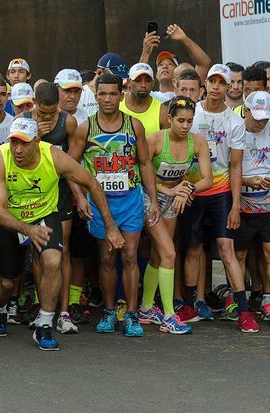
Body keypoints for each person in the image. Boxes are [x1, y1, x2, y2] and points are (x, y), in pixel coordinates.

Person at [0, 117, 123, 350]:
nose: (18, 149)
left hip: (44, 216)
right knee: (7, 284)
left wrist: (111, 227)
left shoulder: (54, 156)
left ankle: (45, 323)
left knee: (53, 261)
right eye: (14, 143)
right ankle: (0, 309)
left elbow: (92, 184)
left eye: (24, 143)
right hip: (12, 219)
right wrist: (27, 229)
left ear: (37, 142)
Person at [69, 74, 160, 337]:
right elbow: (70, 167)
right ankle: (109, 311)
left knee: (130, 256)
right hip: (100, 202)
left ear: (122, 95)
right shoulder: (86, 128)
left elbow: (144, 164)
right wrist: (80, 197)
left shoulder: (135, 126)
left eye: (113, 94)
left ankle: (131, 314)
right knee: (107, 256)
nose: (108, 99)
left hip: (130, 199)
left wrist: (152, 200)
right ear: (95, 95)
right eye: (103, 94)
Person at [179, 64, 259, 332]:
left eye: (221, 83)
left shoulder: (235, 122)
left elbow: (236, 166)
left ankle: (244, 311)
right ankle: (190, 304)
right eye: (212, 81)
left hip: (220, 193)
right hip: (192, 191)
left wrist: (236, 205)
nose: (216, 86)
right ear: (205, 84)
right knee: (192, 249)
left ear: (227, 88)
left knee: (227, 250)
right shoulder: (192, 114)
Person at [139, 97, 212, 334]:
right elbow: (140, 172)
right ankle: (170, 315)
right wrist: (166, 190)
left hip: (174, 197)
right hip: (150, 196)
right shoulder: (156, 140)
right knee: (170, 252)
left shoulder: (198, 142)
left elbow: (207, 180)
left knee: (159, 256)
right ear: (169, 119)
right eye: (180, 120)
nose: (185, 126)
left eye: (190, 121)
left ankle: (146, 307)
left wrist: (186, 189)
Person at [21, 82, 78, 333]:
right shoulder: (23, 121)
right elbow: (18, 159)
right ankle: (43, 306)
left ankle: (64, 312)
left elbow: (72, 165)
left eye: (52, 111)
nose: (47, 116)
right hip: (34, 195)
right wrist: (38, 139)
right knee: (37, 254)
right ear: (33, 103)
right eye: (42, 112)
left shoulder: (68, 122)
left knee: (62, 251)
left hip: (62, 194)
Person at [233, 91, 270, 320]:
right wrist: (249, 181)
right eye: (256, 117)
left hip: (268, 202)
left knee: (269, 252)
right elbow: (229, 168)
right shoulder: (236, 130)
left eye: (265, 117)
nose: (261, 122)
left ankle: (268, 297)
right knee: (239, 254)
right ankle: (238, 299)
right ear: (245, 111)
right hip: (242, 202)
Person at [140, 23, 211, 102]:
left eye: (170, 64)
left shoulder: (189, 93)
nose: (165, 67)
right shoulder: (150, 96)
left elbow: (204, 64)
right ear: (156, 75)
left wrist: (184, 39)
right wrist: (145, 52)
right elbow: (138, 78)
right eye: (160, 65)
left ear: (178, 73)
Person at [119, 63, 169, 136]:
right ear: (129, 82)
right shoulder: (117, 103)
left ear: (153, 83)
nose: (143, 85)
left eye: (148, 81)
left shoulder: (162, 112)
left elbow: (166, 145)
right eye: (138, 80)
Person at [78, 52, 129, 117]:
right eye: (113, 76)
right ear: (100, 72)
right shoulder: (81, 94)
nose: (117, 80)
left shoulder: (121, 95)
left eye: (121, 78)